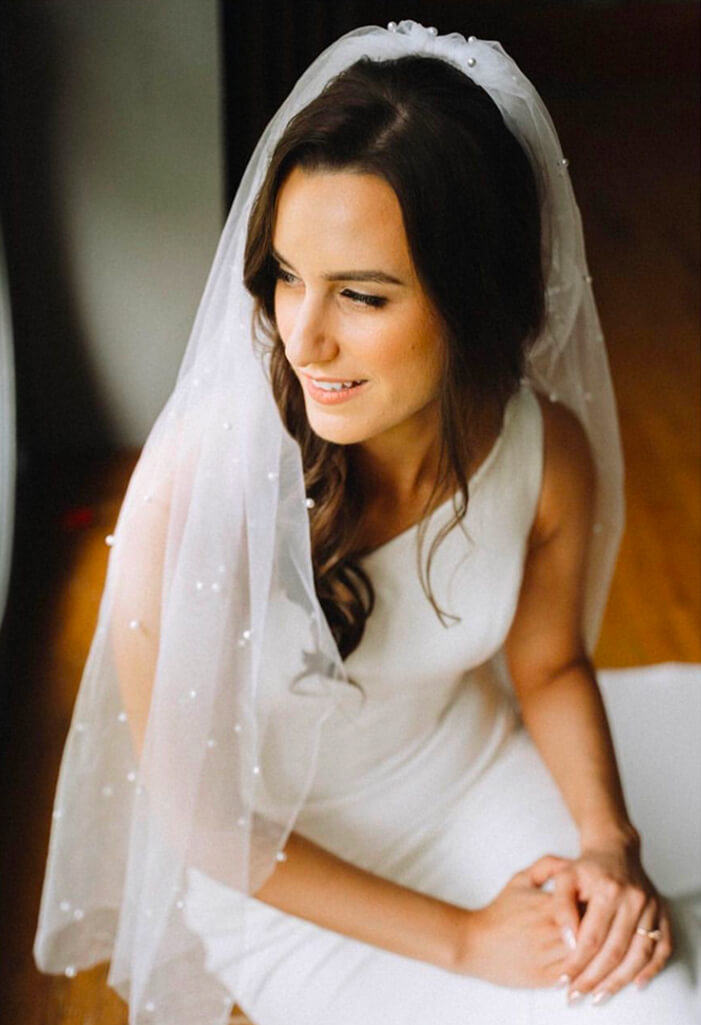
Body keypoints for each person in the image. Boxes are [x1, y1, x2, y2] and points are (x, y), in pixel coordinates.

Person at [34, 21, 699, 1025]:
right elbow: (201, 819)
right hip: (277, 870)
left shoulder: (543, 454)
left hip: (468, 782)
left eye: (360, 294)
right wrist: (467, 938)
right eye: (286, 274)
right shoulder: (197, 486)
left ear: (470, 298)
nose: (301, 337)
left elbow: (551, 665)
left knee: (654, 1001)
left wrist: (608, 842)